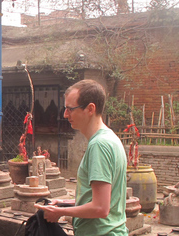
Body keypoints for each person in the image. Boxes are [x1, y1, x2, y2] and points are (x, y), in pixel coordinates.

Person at [35, 79, 128, 236]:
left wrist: (58, 214)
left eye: (70, 109)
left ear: (90, 108)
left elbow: (101, 208)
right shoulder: (110, 138)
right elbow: (104, 200)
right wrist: (63, 204)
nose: (65, 115)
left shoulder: (99, 145)